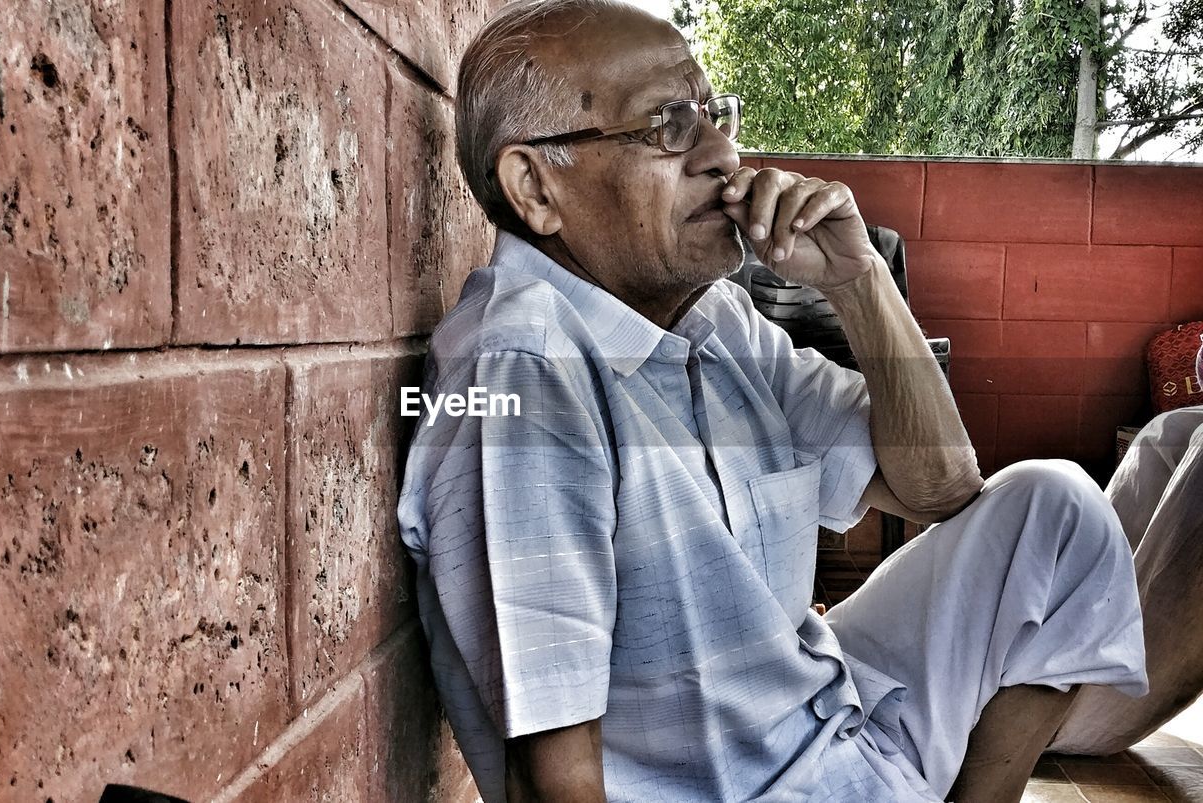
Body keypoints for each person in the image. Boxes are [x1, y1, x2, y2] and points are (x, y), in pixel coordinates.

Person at [395, 2, 1177, 800]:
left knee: (1055, 508)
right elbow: (554, 768)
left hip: (828, 722)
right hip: (750, 786)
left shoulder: (716, 318)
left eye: (711, 113)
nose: (723, 153)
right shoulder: (523, 372)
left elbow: (941, 487)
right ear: (535, 185)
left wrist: (858, 279)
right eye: (668, 125)